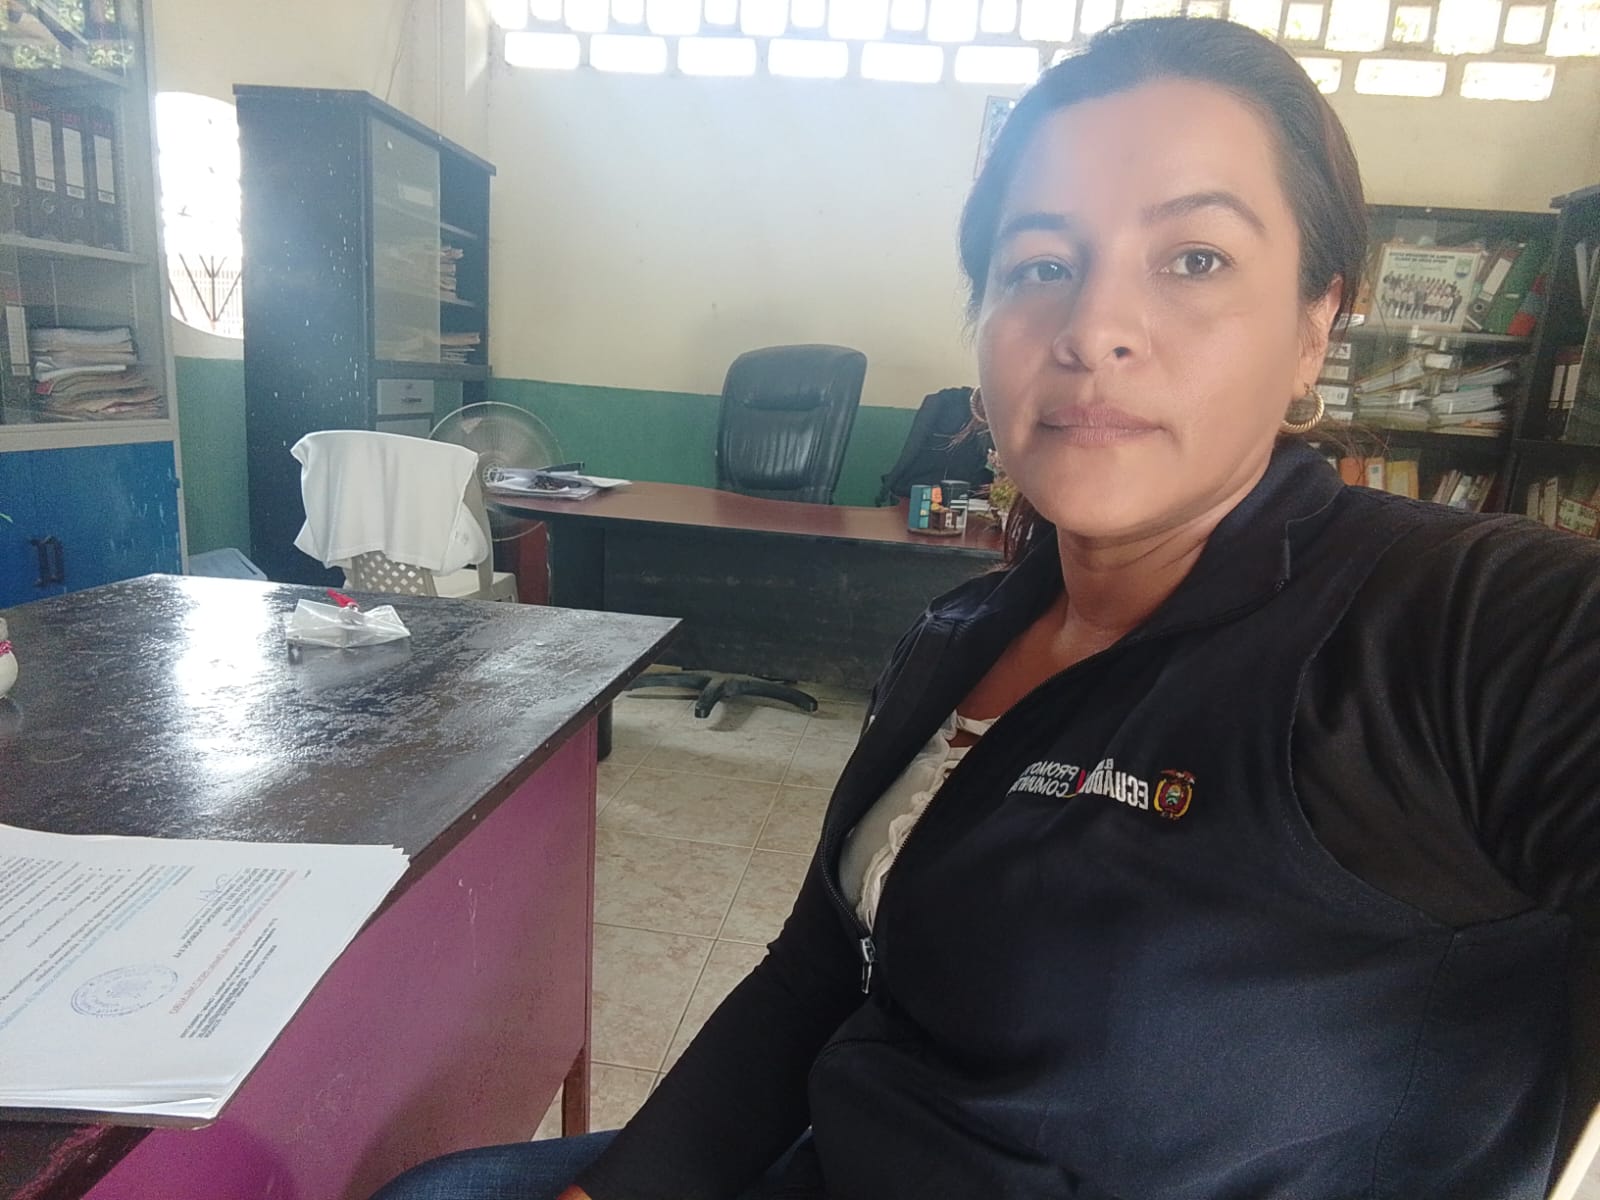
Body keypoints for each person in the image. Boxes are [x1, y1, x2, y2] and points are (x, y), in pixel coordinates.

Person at [374, 16, 1600, 1200]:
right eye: (1039, 267)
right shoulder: (959, 635)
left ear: (1313, 325)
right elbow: (816, 972)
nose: (1092, 329)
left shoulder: (1451, 620)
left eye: (1194, 259)